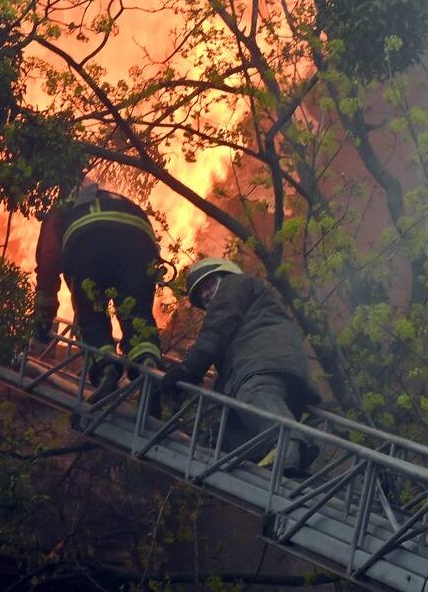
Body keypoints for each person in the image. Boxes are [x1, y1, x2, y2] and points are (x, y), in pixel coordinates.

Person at [161, 258, 321, 477]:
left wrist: (187, 370)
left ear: (225, 275)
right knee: (224, 437)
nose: (206, 294)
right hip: (278, 372)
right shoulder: (251, 298)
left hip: (261, 364)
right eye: (200, 295)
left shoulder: (234, 285)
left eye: (208, 285)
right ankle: (288, 458)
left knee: (255, 394)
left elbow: (214, 333)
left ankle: (288, 445)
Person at [33, 181, 164, 398]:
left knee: (91, 317)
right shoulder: (118, 200)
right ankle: (147, 365)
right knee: (137, 315)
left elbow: (49, 261)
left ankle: (106, 370)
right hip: (139, 245)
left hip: (87, 245)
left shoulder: (61, 210)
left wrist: (43, 320)